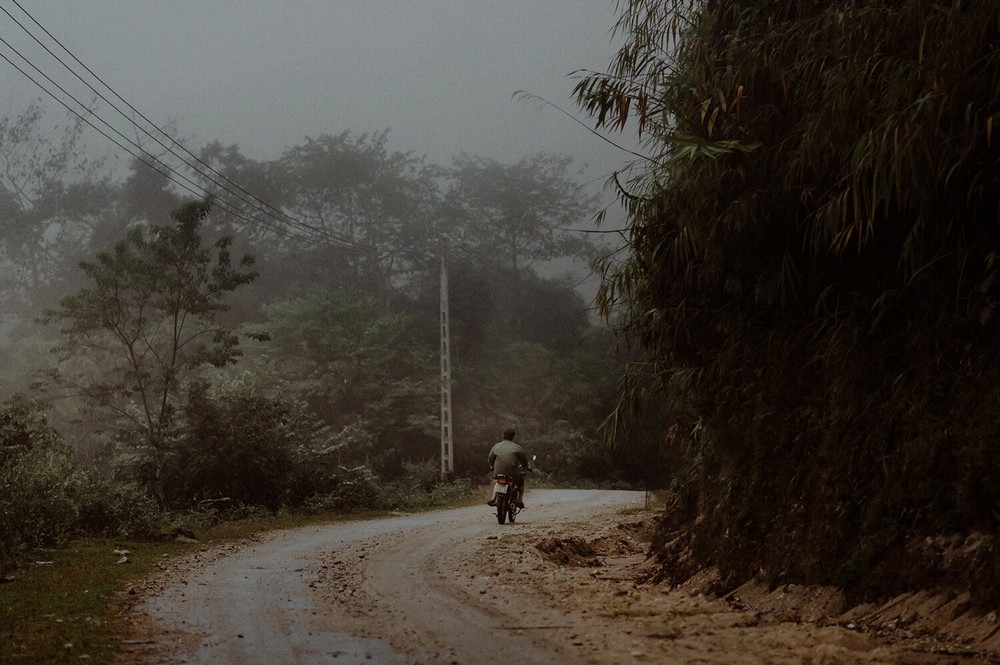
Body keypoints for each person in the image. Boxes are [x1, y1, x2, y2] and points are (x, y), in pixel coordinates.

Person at [487, 428, 530, 508]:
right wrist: (526, 467)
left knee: (496, 481)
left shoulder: (496, 446)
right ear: (513, 437)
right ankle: (520, 500)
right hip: (512, 474)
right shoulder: (517, 447)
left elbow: (490, 458)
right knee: (520, 481)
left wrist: (492, 466)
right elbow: (524, 461)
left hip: (498, 473)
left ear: (503, 435)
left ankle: (493, 498)